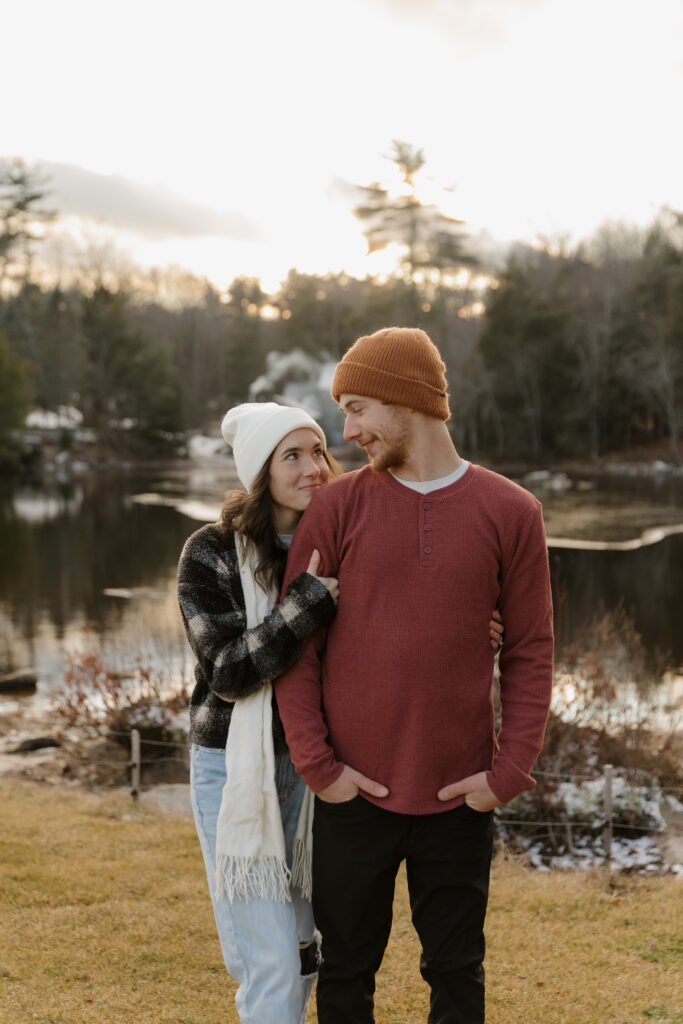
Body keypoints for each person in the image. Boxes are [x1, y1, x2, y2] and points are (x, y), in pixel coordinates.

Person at [177, 398, 505, 1024]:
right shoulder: (211, 553)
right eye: (291, 456)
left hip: (316, 766)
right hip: (234, 767)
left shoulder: (334, 531)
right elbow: (225, 673)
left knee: (307, 951)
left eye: (320, 451)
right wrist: (304, 605)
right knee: (270, 960)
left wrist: (470, 627)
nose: (315, 468)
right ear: (259, 471)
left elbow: (401, 620)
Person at [274, 328, 554, 1024]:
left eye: (360, 407)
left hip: (458, 796)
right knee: (345, 974)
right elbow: (297, 651)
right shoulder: (335, 510)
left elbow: (529, 650)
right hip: (353, 794)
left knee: (455, 973)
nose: (348, 430)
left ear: (407, 401)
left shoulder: (511, 512)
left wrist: (506, 773)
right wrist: (320, 768)